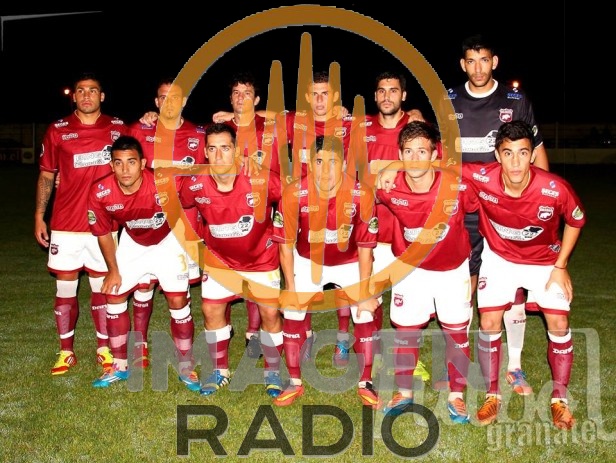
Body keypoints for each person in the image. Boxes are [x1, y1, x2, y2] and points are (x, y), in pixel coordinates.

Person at [435, 34, 550, 393]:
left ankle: (514, 366)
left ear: (494, 62)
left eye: (484, 60)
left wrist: (542, 200)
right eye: (471, 61)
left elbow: (535, 150)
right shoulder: (449, 100)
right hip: (461, 209)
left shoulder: (515, 101)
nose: (478, 67)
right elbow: (438, 156)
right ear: (462, 64)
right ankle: (458, 363)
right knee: (461, 285)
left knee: (511, 287)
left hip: (505, 208)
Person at [462, 120, 584, 429]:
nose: (515, 162)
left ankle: (559, 400)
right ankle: (492, 395)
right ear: (497, 155)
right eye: (508, 153)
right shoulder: (481, 176)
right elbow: (435, 165)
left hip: (544, 261)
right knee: (488, 321)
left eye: (522, 153)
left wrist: (561, 265)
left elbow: (576, 220)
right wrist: (390, 169)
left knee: (559, 323)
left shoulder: (554, 188)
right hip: (500, 258)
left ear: (532, 155)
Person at [375, 121, 475, 422]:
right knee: (406, 333)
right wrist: (387, 170)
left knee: (456, 333)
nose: (415, 158)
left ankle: (457, 396)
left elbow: (481, 201)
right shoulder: (389, 187)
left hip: (451, 270)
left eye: (422, 151)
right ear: (400, 155)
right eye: (408, 152)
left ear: (434, 155)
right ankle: (404, 392)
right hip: (411, 269)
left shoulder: (457, 185)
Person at [272, 134, 381, 408]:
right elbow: (285, 245)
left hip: (350, 261)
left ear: (343, 164)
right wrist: (290, 289)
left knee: (365, 312)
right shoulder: (294, 193)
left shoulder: (361, 194)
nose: (325, 170)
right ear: (310, 163)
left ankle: (366, 382)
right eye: (319, 162)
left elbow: (366, 247)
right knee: (293, 312)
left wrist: (365, 291)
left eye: (333, 162)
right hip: (309, 261)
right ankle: (294, 382)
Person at [178, 123, 284, 397]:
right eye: (212, 149)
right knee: (211, 310)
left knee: (270, 313)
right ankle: (220, 370)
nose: (219, 155)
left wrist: (281, 231)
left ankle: (272, 371)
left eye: (225, 148)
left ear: (237, 151)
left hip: (261, 260)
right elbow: (186, 206)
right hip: (220, 261)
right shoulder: (194, 183)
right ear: (205, 152)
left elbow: (289, 196)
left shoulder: (260, 178)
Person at [34, 71, 129, 376]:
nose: (87, 95)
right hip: (66, 223)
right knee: (65, 288)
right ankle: (66, 351)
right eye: (81, 90)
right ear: (74, 96)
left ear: (102, 96)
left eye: (93, 90)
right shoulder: (58, 130)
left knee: (103, 288)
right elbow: (47, 175)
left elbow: (137, 164)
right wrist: (39, 215)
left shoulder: (118, 128)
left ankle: (103, 348)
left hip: (105, 224)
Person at [87, 135, 199, 390]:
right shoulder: (101, 190)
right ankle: (120, 365)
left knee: (178, 301)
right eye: (118, 163)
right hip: (133, 242)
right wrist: (113, 270)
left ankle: (186, 365)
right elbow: (103, 233)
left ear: (143, 163)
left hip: (168, 240)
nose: (125, 169)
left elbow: (203, 180)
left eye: (131, 162)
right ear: (111, 165)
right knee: (114, 294)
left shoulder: (163, 182)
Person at [128, 77, 206, 368]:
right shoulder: (140, 130)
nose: (168, 102)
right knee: (143, 286)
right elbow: (119, 166)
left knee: (179, 292)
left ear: (184, 101)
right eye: (163, 97)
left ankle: (185, 354)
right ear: (156, 102)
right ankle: (140, 346)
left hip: (184, 224)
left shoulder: (199, 134)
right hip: (146, 221)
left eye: (175, 97)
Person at [362, 70, 430, 381]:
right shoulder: (360, 129)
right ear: (375, 95)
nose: (386, 96)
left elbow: (436, 166)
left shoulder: (418, 128)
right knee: (370, 299)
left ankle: (410, 359)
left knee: (410, 302)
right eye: (381, 90)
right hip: (372, 231)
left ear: (403, 95)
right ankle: (373, 355)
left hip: (408, 231)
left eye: (393, 90)